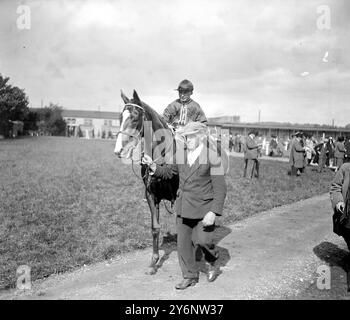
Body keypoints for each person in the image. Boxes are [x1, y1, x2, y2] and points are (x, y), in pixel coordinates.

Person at [142, 122, 227, 290]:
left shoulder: (213, 157)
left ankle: (211, 260)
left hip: (204, 208)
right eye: (185, 137)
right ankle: (189, 276)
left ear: (201, 137)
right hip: (183, 206)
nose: (186, 140)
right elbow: (168, 172)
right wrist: (152, 165)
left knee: (203, 241)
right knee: (183, 245)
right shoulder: (180, 155)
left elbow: (220, 188)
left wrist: (213, 212)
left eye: (190, 137)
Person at [330, 162, 350, 252]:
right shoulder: (346, 168)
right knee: (347, 232)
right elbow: (336, 187)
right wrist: (339, 201)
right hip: (348, 213)